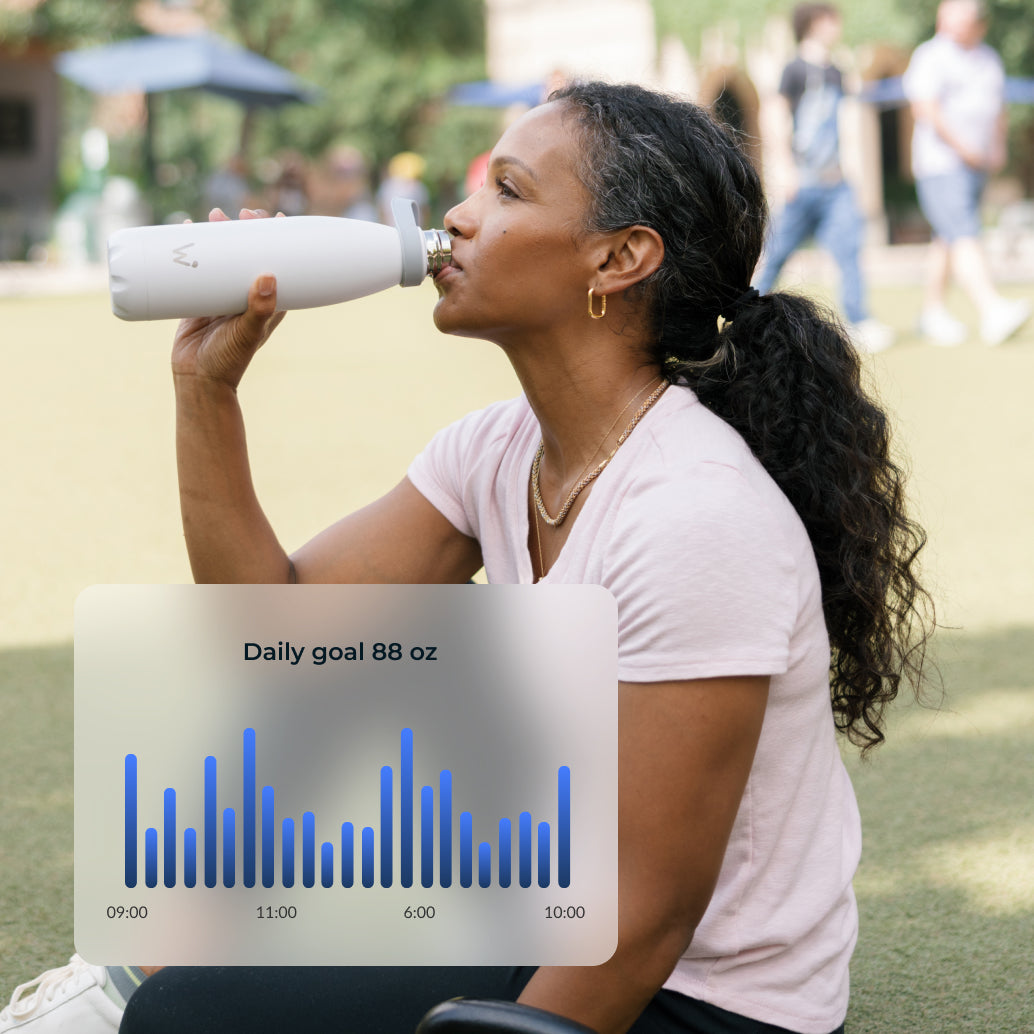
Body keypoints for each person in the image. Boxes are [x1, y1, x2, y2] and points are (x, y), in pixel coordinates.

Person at [1, 81, 933, 1034]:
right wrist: (207, 387)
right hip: (548, 913)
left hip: (697, 1001)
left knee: (190, 1016)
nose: (458, 215)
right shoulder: (498, 450)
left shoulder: (696, 516)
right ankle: (113, 985)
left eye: (509, 193)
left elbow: (647, 918)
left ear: (618, 258)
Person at [755, 2, 895, 354]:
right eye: (833, 21)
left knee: (849, 250)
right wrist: (784, 169)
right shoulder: (794, 69)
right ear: (816, 24)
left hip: (837, 183)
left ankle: (859, 321)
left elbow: (860, 104)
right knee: (776, 253)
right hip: (802, 182)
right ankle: (745, 315)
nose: (838, 27)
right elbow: (773, 117)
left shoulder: (835, 71)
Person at [903, 0, 1031, 346]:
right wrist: (965, 149)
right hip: (942, 164)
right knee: (963, 232)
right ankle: (992, 310)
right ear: (945, 16)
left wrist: (997, 146)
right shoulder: (930, 56)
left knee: (947, 237)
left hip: (977, 165)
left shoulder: (988, 57)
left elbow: (998, 106)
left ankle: (932, 313)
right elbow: (926, 109)